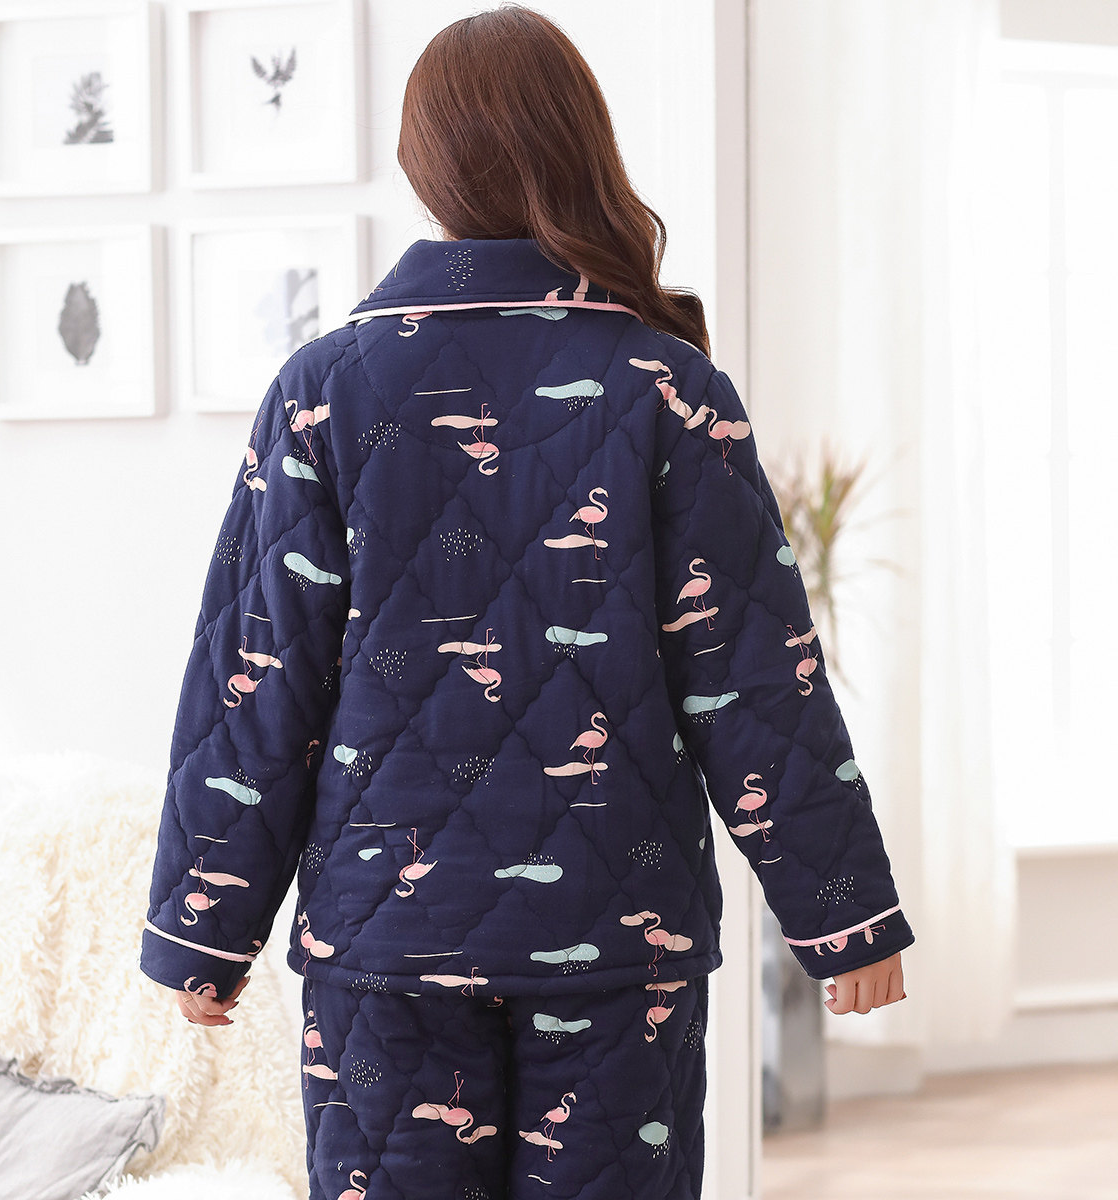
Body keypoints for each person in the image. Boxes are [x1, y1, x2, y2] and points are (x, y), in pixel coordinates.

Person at [139, 6, 914, 1198]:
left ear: (422, 165)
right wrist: (843, 912)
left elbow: (257, 675)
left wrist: (206, 920)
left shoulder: (322, 387)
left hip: (383, 944)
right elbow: (755, 676)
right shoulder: (669, 386)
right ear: (579, 145)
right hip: (621, 936)